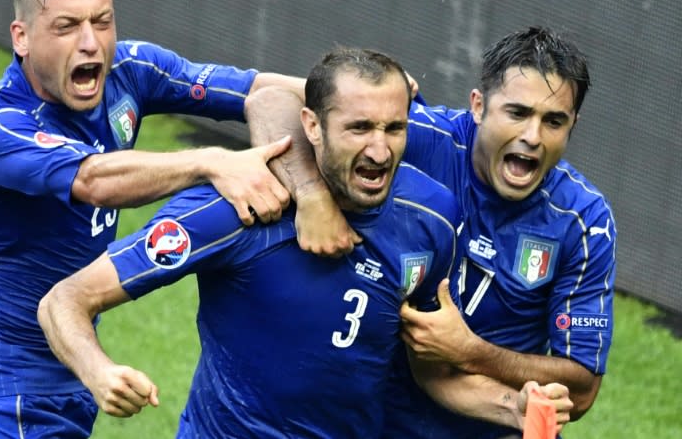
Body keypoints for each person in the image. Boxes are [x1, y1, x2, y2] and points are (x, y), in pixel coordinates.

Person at [38, 47, 574, 438]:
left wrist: (512, 406)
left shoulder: (431, 218)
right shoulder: (237, 209)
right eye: (359, 128)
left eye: (394, 128)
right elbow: (65, 300)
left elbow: (429, 372)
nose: (381, 149)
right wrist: (99, 371)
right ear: (312, 126)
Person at [0, 0, 305, 439]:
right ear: (22, 37)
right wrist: (211, 161)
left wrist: (355, 98)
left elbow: (258, 90)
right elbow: (94, 180)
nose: (91, 43)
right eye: (66, 27)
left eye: (101, 22)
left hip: (69, 369)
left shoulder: (130, 70)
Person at [246, 27, 616, 438]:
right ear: (478, 106)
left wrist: (472, 353)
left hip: (493, 423)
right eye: (517, 113)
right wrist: (312, 194)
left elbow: (581, 390)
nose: (531, 137)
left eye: (553, 122)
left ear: (572, 126)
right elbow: (269, 101)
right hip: (369, 421)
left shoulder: (583, 220)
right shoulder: (413, 138)